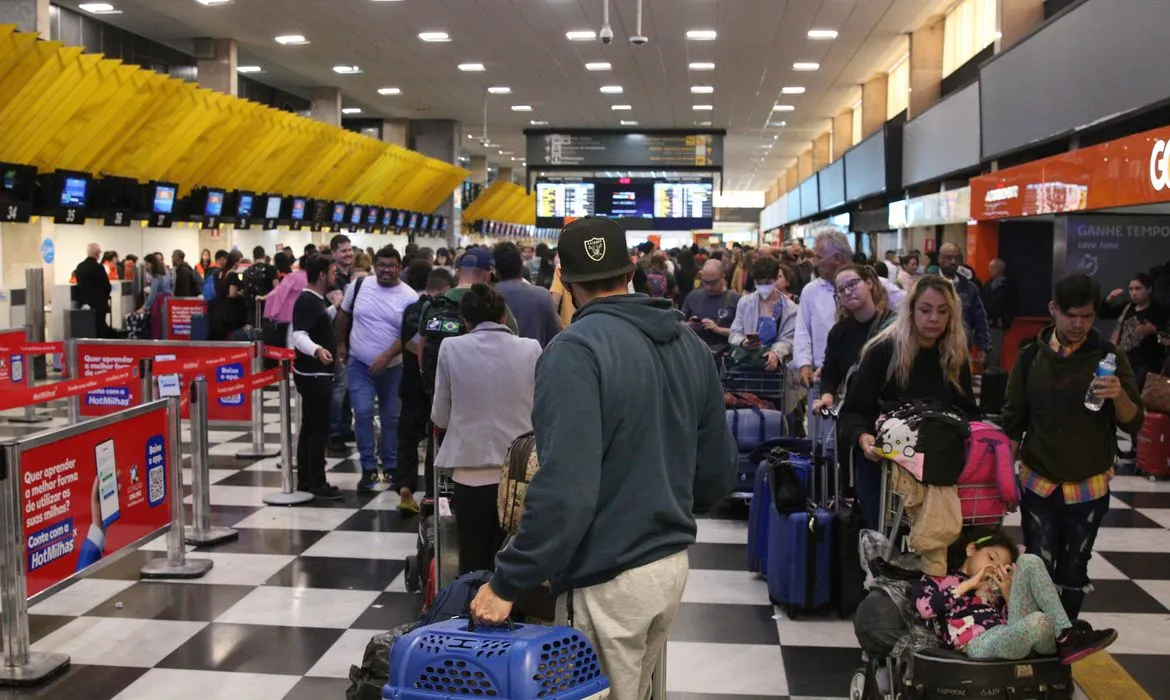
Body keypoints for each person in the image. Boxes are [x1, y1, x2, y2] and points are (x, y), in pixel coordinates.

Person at [470, 217, 736, 699]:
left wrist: (507, 582)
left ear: (564, 281)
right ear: (631, 269)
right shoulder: (690, 346)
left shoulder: (574, 351)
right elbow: (717, 475)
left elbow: (566, 490)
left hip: (607, 573)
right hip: (669, 565)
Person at [1002, 274, 1143, 619]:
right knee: (1038, 563)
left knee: (1074, 567)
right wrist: (1005, 477)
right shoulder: (1030, 356)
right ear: (1053, 310)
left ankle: (1064, 639)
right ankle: (1038, 641)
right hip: (1039, 479)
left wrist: (1119, 395)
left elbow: (1132, 421)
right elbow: (1013, 421)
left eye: (1087, 316)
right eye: (1071, 315)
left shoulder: (1109, 355)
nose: (1079, 324)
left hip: (1089, 481)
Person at [839, 275, 981, 555]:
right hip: (884, 462)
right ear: (911, 310)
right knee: (885, 540)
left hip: (937, 460)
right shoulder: (884, 351)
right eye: (926, 309)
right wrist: (864, 438)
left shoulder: (954, 356)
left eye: (943, 311)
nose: (934, 319)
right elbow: (852, 413)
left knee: (944, 540)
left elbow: (968, 412)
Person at [432, 283, 542, 572]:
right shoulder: (531, 349)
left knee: (472, 561)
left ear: (466, 321)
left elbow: (440, 417)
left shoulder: (451, 348)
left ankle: (472, 614)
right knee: (514, 564)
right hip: (521, 476)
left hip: (470, 475)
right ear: (504, 317)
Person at [913, 528, 1117, 663]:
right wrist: (970, 583)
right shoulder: (938, 579)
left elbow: (1012, 619)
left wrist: (1007, 591)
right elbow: (925, 609)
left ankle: (1065, 636)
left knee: (1029, 560)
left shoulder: (995, 588)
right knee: (1038, 621)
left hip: (1011, 632)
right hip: (977, 643)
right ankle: (1064, 635)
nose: (993, 568)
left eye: (1002, 568)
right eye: (991, 558)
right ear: (971, 549)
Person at [812, 264, 893, 527]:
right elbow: (831, 371)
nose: (847, 292)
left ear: (870, 282)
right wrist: (826, 395)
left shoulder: (893, 327)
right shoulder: (840, 332)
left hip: (892, 416)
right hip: (858, 420)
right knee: (864, 490)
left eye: (853, 283)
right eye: (841, 289)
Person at [335, 246, 418, 491]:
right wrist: (340, 343)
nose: (385, 270)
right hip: (359, 364)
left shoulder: (409, 296)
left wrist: (386, 356)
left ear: (399, 268)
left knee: (391, 417)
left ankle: (391, 466)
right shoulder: (359, 286)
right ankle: (368, 468)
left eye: (391, 265)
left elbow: (409, 334)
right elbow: (343, 315)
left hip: (393, 368)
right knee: (362, 412)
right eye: (381, 265)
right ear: (375, 265)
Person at [396, 264, 452, 513]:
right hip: (433, 385)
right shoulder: (444, 313)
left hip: (409, 382)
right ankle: (431, 492)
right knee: (434, 437)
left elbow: (407, 343)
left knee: (407, 437)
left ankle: (405, 486)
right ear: (445, 289)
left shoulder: (410, 310)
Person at [290, 255, 343, 500]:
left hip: (312, 373)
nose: (335, 276)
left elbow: (316, 324)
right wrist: (318, 350)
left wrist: (335, 308)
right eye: (332, 272)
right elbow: (299, 336)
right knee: (318, 428)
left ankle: (306, 479)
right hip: (314, 374)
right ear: (321, 275)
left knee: (310, 427)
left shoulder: (313, 301)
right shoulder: (308, 301)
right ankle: (317, 482)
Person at [728, 256, 798, 372]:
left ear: (776, 279)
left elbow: (788, 340)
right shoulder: (745, 303)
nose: (763, 287)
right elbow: (734, 332)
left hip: (775, 370)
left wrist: (776, 353)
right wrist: (743, 342)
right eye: (759, 283)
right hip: (745, 365)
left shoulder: (790, 308)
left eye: (767, 283)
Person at [1101, 272, 1169, 389]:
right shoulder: (1128, 307)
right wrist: (1109, 299)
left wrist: (1154, 330)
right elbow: (1103, 314)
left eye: (1138, 289)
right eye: (1131, 289)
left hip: (1145, 364)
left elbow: (1166, 333)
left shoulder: (1159, 310)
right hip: (1123, 359)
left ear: (1148, 290)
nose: (1134, 293)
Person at [492, 242, 562, 347]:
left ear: (495, 268)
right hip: (536, 361)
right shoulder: (542, 296)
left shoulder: (488, 296)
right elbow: (555, 337)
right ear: (521, 264)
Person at [938, 243, 991, 362]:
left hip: (962, 346)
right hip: (933, 345)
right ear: (940, 259)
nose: (953, 262)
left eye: (956, 258)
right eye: (948, 257)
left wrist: (982, 346)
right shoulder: (927, 284)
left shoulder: (969, 288)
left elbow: (980, 318)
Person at [328, 234, 357, 454]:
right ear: (334, 254)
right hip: (335, 337)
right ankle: (334, 432)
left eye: (350, 249)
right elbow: (340, 304)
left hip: (352, 337)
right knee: (338, 387)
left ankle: (345, 426)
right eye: (343, 250)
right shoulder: (333, 278)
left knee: (348, 387)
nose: (348, 253)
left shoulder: (353, 277)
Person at [680, 259, 740, 352]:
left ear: (723, 278)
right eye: (705, 282)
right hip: (695, 352)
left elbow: (742, 334)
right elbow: (678, 324)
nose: (708, 287)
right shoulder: (693, 296)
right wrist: (689, 325)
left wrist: (719, 329)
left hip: (725, 354)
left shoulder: (736, 300)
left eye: (713, 283)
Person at [981, 258, 1016, 370]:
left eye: (991, 268)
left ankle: (993, 373)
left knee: (995, 352)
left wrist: (1005, 319)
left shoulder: (1008, 286)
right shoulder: (987, 285)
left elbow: (1014, 305)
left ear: (1000, 269)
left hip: (998, 324)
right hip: (986, 323)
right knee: (984, 352)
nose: (989, 270)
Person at [74, 243, 112, 338]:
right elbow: (107, 286)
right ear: (97, 254)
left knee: (86, 331)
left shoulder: (79, 267)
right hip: (99, 306)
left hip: (83, 306)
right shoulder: (98, 267)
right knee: (99, 331)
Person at [211, 250, 246, 340]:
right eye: (240, 262)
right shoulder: (233, 275)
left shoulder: (221, 273)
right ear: (235, 262)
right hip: (232, 311)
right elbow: (232, 293)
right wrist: (241, 293)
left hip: (220, 309)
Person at [142, 256, 173, 338]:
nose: (145, 266)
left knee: (157, 325)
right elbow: (172, 285)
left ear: (152, 264)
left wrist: (144, 308)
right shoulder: (166, 271)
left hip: (159, 302)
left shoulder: (156, 276)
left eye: (147, 264)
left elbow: (152, 295)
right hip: (168, 300)